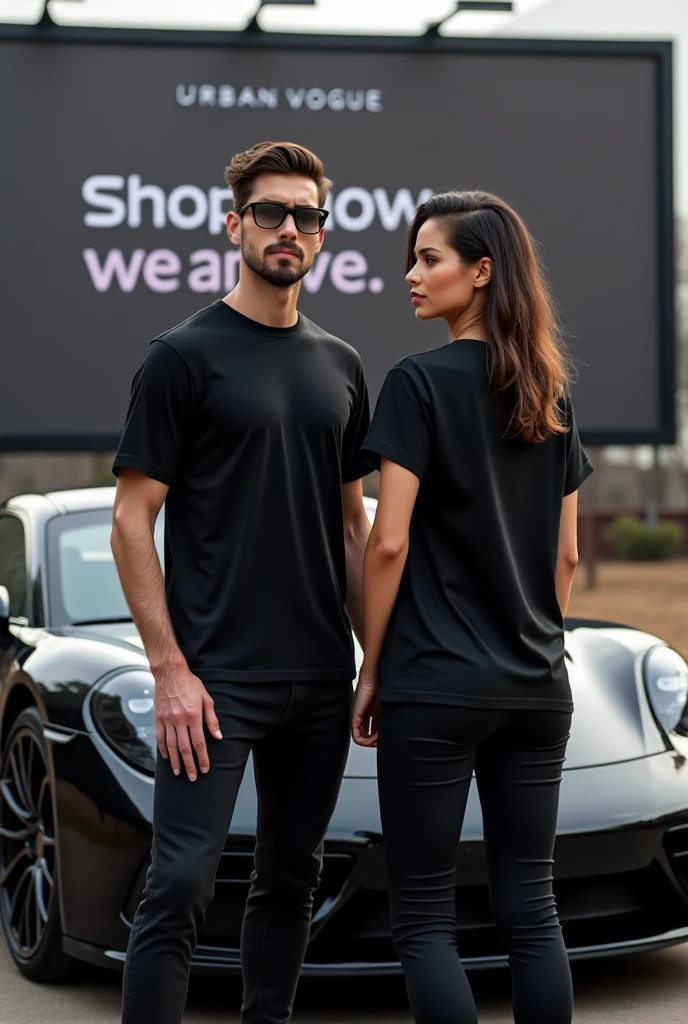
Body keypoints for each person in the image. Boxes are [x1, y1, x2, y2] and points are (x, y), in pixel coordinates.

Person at [110, 141, 373, 1024]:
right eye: (270, 213)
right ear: (235, 225)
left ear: (322, 234)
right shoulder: (182, 357)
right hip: (213, 682)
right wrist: (169, 669)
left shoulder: (341, 365)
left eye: (307, 215)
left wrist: (372, 658)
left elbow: (351, 526)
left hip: (317, 675)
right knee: (180, 884)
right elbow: (129, 519)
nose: (289, 229)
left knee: (290, 879)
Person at [352, 190, 593, 1024]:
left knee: (423, 919)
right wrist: (535, 643)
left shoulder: (416, 384)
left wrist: (372, 668)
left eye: (429, 258)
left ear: (481, 272)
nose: (410, 275)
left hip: (434, 684)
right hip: (537, 688)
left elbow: (388, 543)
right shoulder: (552, 394)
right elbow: (566, 556)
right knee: (533, 911)